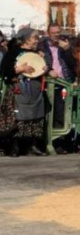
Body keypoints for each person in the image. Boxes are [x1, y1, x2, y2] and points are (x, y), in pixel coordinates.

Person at [0, 28, 50, 157]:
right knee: (18, 118)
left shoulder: (38, 53)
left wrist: (45, 68)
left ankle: (32, 146)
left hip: (35, 90)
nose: (36, 40)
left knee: (35, 117)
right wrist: (20, 69)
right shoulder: (13, 52)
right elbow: (5, 71)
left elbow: (45, 69)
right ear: (27, 39)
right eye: (34, 37)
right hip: (19, 89)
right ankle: (14, 147)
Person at [38, 24, 78, 131]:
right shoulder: (41, 46)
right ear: (48, 33)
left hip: (65, 82)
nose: (56, 35)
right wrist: (48, 70)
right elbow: (39, 64)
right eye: (53, 33)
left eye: (58, 33)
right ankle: (49, 139)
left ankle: (61, 142)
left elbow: (74, 64)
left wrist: (67, 50)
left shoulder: (65, 45)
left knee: (64, 113)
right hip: (49, 83)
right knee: (50, 112)